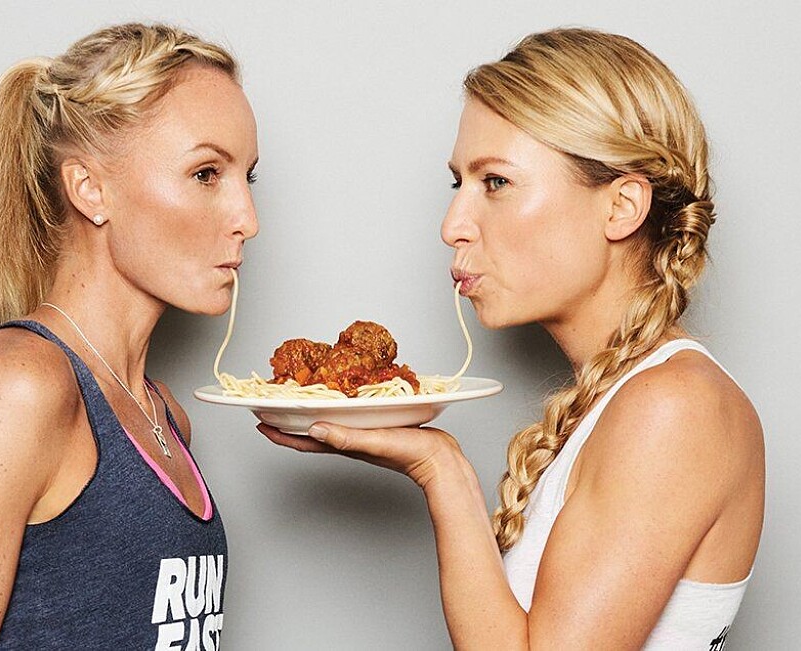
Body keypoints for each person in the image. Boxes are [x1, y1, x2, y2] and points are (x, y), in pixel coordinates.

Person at [260, 28, 764, 649]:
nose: (452, 225)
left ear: (621, 207)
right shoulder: (631, 399)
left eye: (495, 182)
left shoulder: (674, 408)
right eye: (459, 184)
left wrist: (442, 470)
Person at [0, 23, 258, 649]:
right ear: (90, 189)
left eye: (248, 177)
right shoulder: (17, 386)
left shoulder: (164, 416)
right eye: (205, 174)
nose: (247, 218)